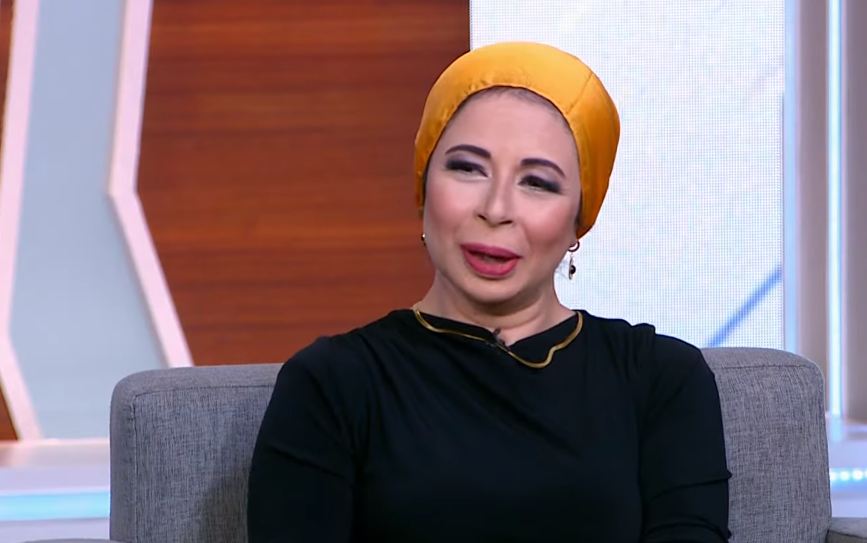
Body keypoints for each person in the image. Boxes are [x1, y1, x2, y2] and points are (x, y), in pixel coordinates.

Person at [247, 41, 731, 542]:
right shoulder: (333, 382)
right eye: (467, 168)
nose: (496, 209)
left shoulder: (659, 378)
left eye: (538, 182)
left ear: (579, 219)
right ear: (423, 186)